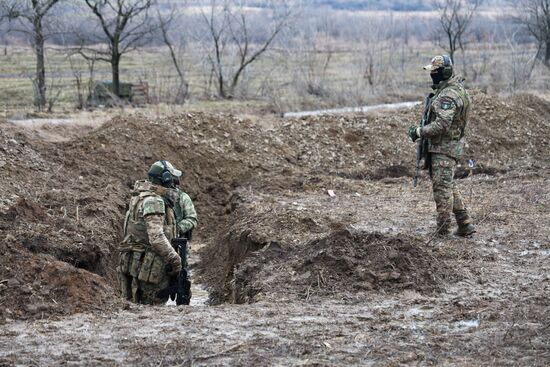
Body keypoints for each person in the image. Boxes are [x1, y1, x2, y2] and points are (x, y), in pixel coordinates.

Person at [408, 55, 476, 237]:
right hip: (447, 147)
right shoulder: (454, 89)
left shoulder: (448, 95)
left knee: (441, 191)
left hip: (444, 148)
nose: (432, 75)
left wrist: (419, 131)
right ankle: (465, 223)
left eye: (435, 72)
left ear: (444, 72)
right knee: (448, 185)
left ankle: (442, 229)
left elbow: (442, 124)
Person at [117, 160, 197, 304]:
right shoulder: (154, 201)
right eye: (171, 179)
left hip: (134, 263)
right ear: (165, 179)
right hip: (150, 267)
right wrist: (176, 260)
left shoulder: (138, 196)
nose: (173, 183)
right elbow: (156, 238)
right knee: (153, 310)